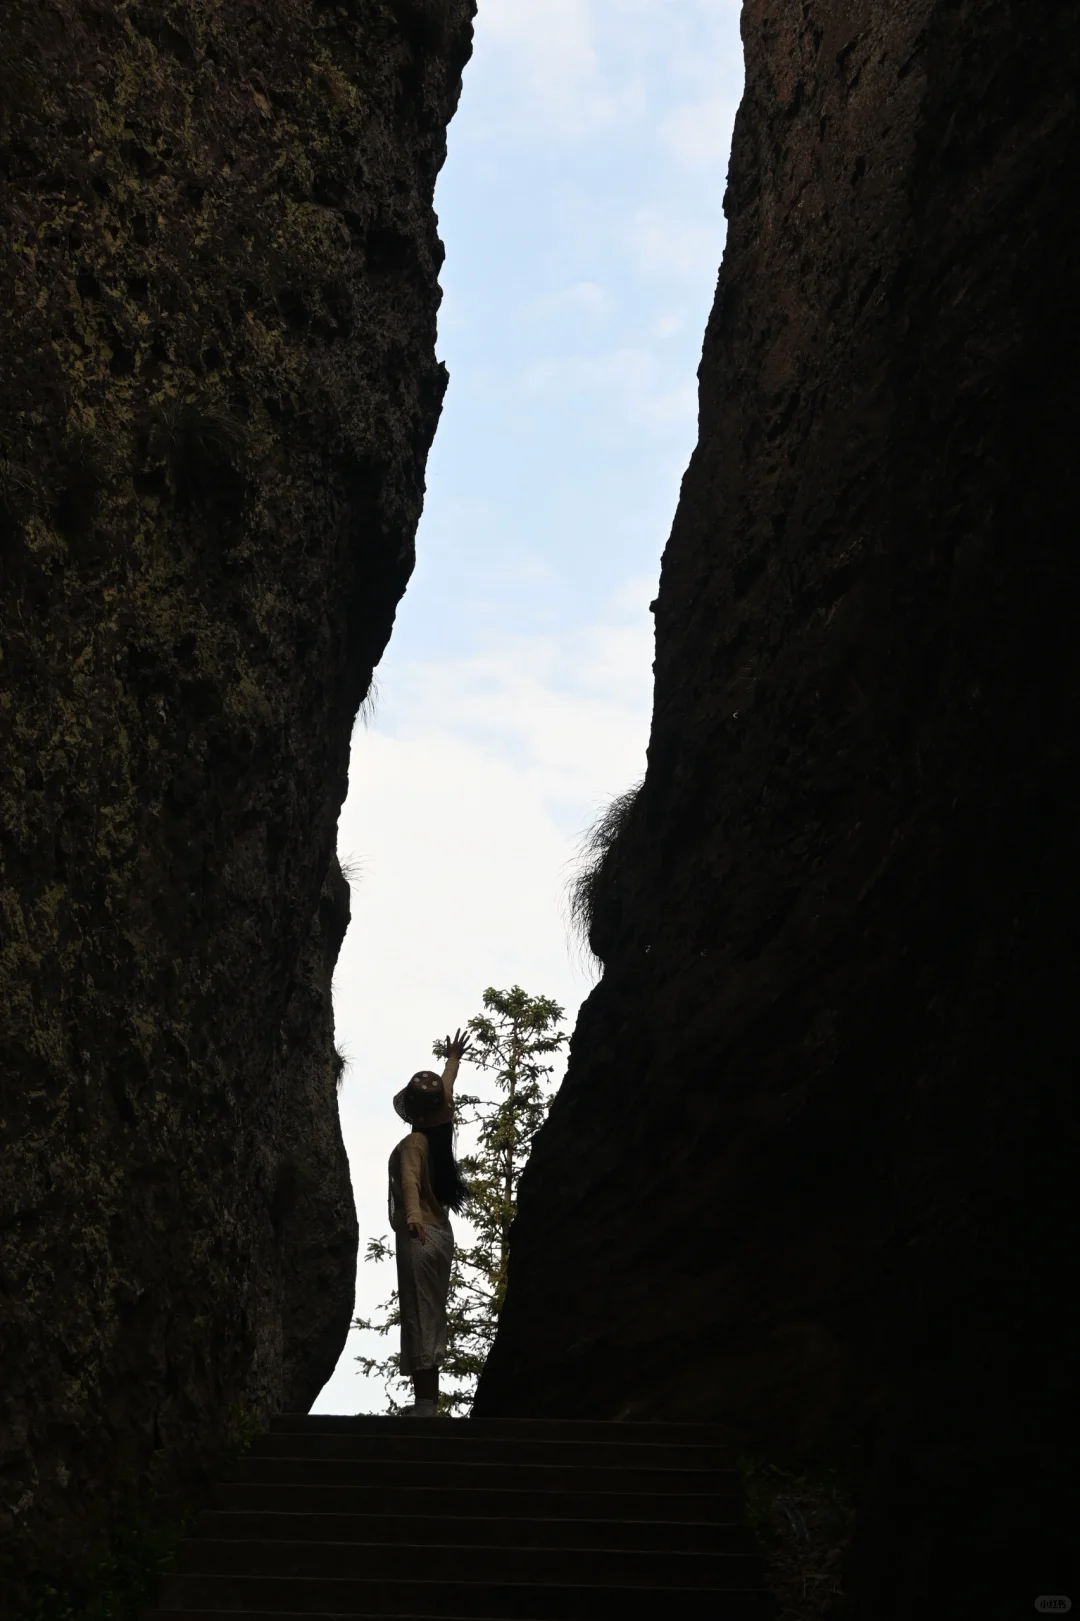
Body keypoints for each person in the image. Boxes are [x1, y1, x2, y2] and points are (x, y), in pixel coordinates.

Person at [387, 1027, 472, 1417]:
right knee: (432, 1312)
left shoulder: (414, 1145)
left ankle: (425, 1404)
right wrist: (452, 1060)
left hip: (419, 1235)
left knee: (419, 1314)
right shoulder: (439, 1136)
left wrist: (413, 1219)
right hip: (442, 1237)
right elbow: (447, 1089)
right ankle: (428, 1401)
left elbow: (407, 1180)